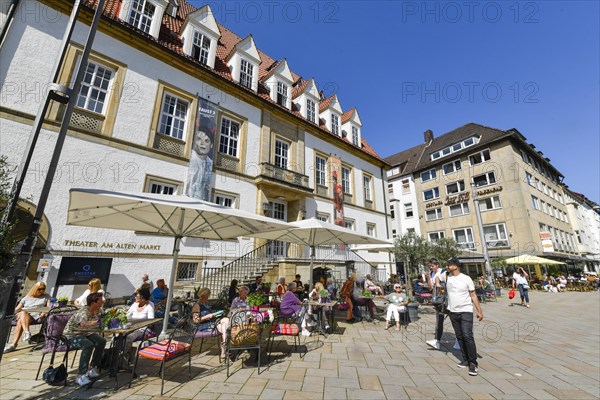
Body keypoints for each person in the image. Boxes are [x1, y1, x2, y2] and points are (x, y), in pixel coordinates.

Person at [445, 258, 483, 376]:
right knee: (459, 336)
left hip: (465, 310)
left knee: (467, 335)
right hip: (452, 311)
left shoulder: (466, 279)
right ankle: (465, 359)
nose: (447, 267)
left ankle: (473, 363)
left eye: (449, 265)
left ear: (455, 266)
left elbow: (473, 295)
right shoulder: (448, 277)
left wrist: (479, 311)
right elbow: (434, 279)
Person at [63, 292, 106, 386]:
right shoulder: (83, 312)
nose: (102, 302)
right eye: (100, 301)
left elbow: (105, 317)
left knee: (101, 341)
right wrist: (97, 322)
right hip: (72, 335)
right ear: (93, 303)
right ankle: (81, 375)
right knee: (88, 345)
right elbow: (83, 324)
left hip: (86, 333)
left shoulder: (98, 310)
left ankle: (92, 367)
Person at [4, 282, 51, 353]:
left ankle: (14, 344)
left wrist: (44, 312)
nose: (41, 290)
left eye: (43, 289)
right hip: (24, 314)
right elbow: (17, 309)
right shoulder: (26, 297)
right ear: (35, 289)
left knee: (20, 320)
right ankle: (26, 332)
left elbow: (48, 307)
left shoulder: (46, 296)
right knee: (22, 313)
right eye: (39, 289)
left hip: (35, 315)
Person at [191, 288, 230, 358]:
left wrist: (216, 314)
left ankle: (224, 344)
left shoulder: (205, 303)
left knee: (225, 320)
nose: (208, 297)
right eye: (207, 296)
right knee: (225, 327)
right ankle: (224, 349)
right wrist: (207, 316)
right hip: (203, 326)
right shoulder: (197, 305)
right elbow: (196, 320)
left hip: (211, 323)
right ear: (203, 295)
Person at [124, 287, 155, 361]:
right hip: (131, 327)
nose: (135, 297)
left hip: (143, 329)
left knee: (129, 337)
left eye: (137, 296)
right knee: (117, 337)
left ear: (143, 298)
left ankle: (121, 355)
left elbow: (151, 320)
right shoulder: (134, 305)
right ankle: (124, 354)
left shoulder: (149, 306)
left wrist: (135, 321)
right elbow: (127, 316)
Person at [187, 129, 214, 201]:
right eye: (199, 139)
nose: (202, 143)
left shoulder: (210, 163)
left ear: (211, 145)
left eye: (206, 141)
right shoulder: (190, 156)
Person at [426, 258, 447, 350]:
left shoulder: (443, 271)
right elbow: (430, 288)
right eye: (430, 266)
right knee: (439, 321)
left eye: (432, 266)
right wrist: (428, 278)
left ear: (437, 265)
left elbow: (448, 284)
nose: (431, 267)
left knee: (455, 321)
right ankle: (437, 341)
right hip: (438, 300)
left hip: (446, 299)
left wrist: (439, 284)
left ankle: (459, 342)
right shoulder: (431, 273)